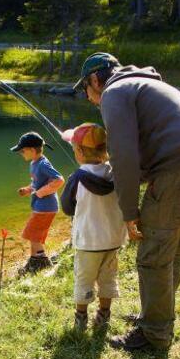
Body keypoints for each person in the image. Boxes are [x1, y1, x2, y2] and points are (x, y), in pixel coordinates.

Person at [73, 52, 180, 350]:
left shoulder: (115, 92)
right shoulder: (147, 85)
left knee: (152, 256)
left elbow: (124, 154)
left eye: (86, 90)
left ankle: (154, 335)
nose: (90, 98)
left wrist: (129, 211)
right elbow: (143, 156)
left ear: (94, 80)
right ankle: (155, 318)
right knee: (170, 251)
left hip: (179, 172)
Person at [60, 123, 127, 332]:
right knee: (108, 278)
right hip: (113, 240)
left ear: (79, 152)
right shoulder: (117, 174)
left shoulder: (77, 179)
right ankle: (104, 316)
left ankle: (81, 319)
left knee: (84, 279)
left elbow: (67, 208)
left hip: (88, 242)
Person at [10, 132, 65, 273]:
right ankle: (34, 261)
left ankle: (42, 262)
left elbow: (59, 180)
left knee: (32, 233)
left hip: (46, 207)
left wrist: (40, 193)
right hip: (41, 207)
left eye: (22, 151)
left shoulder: (42, 164)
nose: (21, 153)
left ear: (32, 150)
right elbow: (37, 183)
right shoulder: (35, 163)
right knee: (34, 235)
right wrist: (28, 190)